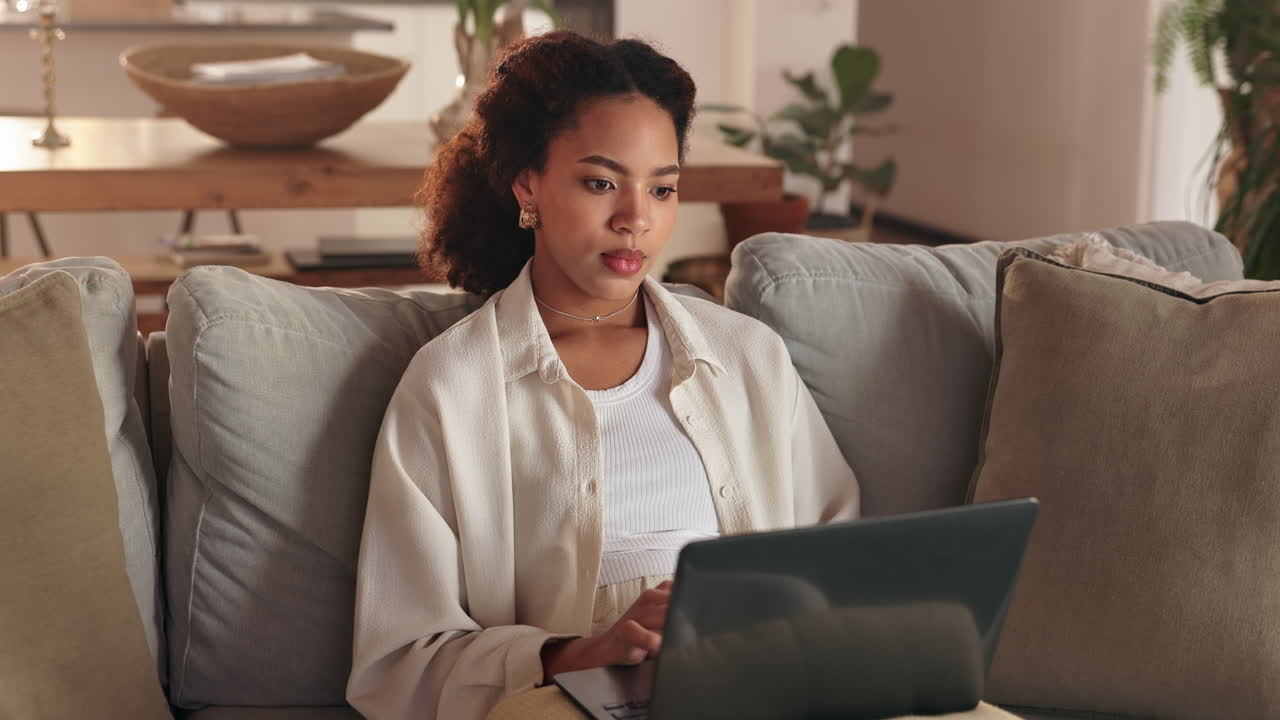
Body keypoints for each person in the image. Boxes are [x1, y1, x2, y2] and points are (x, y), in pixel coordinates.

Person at [345, 30, 858, 720]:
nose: (637, 219)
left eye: (663, 187)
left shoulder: (748, 359)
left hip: (762, 683)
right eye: (600, 182)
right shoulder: (452, 388)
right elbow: (400, 661)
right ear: (528, 183)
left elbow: (840, 559)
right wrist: (582, 652)